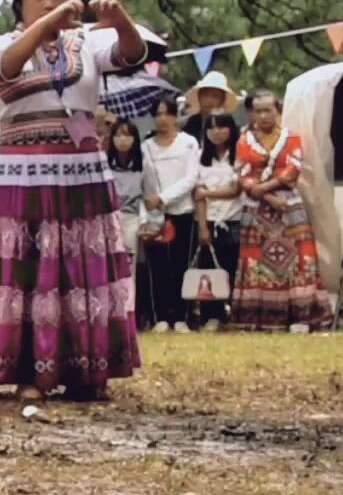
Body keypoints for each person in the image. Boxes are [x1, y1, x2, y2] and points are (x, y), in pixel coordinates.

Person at [0, 0, 146, 400]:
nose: (50, 2)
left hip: (82, 170)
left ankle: (88, 368)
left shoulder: (85, 42)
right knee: (30, 272)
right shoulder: (2, 42)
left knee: (80, 269)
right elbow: (2, 70)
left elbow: (131, 54)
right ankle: (30, 372)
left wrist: (119, 19)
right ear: (18, 3)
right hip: (23, 176)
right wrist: (51, 20)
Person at [230, 91, 332, 333]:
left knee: (297, 260)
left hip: (288, 208)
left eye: (268, 110)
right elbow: (243, 175)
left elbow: (292, 169)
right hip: (257, 210)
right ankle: (260, 316)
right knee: (257, 262)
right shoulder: (244, 141)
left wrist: (267, 190)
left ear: (278, 111)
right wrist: (268, 197)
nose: (263, 116)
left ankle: (301, 314)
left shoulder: (292, 139)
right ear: (251, 113)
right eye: (258, 111)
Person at [141, 100, 201, 333]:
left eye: (167, 114)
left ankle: (180, 315)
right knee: (157, 267)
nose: (162, 119)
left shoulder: (188, 143)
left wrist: (164, 197)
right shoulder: (146, 146)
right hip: (155, 215)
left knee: (180, 265)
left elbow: (191, 177)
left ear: (176, 117)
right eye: (157, 114)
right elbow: (144, 180)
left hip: (182, 211)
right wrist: (152, 204)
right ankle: (161, 316)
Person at [190, 112, 242, 331]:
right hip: (209, 220)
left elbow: (236, 190)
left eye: (222, 127)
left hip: (233, 219)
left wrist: (208, 194)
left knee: (232, 267)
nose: (217, 133)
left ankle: (234, 311)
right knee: (209, 270)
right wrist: (203, 226)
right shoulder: (201, 158)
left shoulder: (239, 155)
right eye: (211, 128)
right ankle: (212, 314)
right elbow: (198, 194)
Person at [105, 118, 146, 259]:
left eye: (127, 135)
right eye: (118, 135)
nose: (122, 139)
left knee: (129, 262)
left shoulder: (143, 165)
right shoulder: (105, 165)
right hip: (109, 219)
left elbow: (148, 195)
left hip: (131, 218)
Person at [183, 72, 240, 146]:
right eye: (206, 95)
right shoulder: (187, 125)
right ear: (199, 97)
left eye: (215, 96)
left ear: (223, 100)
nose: (210, 101)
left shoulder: (231, 129)